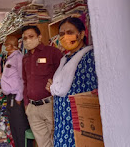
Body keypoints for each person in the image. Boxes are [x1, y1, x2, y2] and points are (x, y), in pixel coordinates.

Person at [46, 17, 98, 147]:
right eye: (62, 34)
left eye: (70, 32)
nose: (65, 37)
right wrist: (53, 88)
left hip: (77, 120)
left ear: (81, 34)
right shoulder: (65, 59)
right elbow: (61, 87)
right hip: (62, 119)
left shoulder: (88, 57)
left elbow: (92, 92)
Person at [22, 25, 63, 147]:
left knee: (57, 140)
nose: (28, 40)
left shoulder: (52, 52)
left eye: (31, 36)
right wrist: (26, 104)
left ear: (39, 37)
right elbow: (25, 82)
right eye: (25, 38)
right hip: (33, 107)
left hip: (50, 104)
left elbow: (62, 76)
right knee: (42, 143)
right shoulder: (25, 58)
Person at [1, 36, 31, 147]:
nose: (4, 46)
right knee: (14, 126)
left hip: (16, 98)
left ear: (11, 45)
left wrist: (19, 97)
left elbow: (23, 78)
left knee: (20, 126)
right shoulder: (10, 58)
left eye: (6, 44)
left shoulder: (18, 58)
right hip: (11, 97)